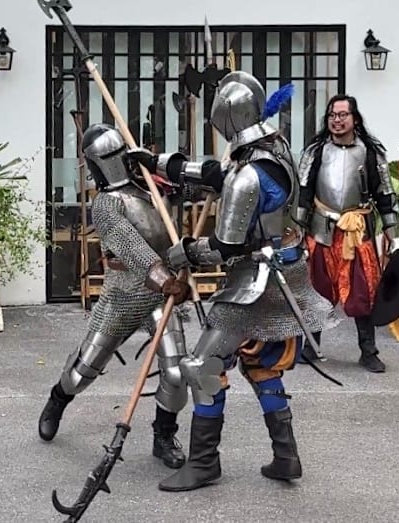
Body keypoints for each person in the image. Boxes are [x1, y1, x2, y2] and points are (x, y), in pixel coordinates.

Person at [128, 71, 336, 491]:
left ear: (225, 118)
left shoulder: (247, 177)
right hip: (285, 269)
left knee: (202, 365)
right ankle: (286, 456)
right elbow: (213, 173)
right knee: (260, 364)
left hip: (256, 283)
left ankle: (204, 462)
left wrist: (184, 252)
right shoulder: (274, 150)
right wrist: (156, 162)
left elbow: (225, 246)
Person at [38, 122, 202, 469]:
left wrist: (160, 164)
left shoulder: (154, 186)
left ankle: (163, 435)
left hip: (163, 293)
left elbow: (199, 185)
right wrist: (164, 281)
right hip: (124, 293)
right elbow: (131, 247)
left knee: (175, 373)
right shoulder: (106, 204)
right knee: (82, 372)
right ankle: (58, 398)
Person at [295, 94, 399, 372]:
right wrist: (297, 234)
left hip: (357, 234)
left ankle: (368, 351)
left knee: (362, 292)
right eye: (333, 115)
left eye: (343, 115)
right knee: (317, 291)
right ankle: (310, 347)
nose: (337, 120)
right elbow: (303, 195)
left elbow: (385, 197)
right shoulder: (315, 151)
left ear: (354, 119)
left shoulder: (370, 152)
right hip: (321, 232)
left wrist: (395, 238)